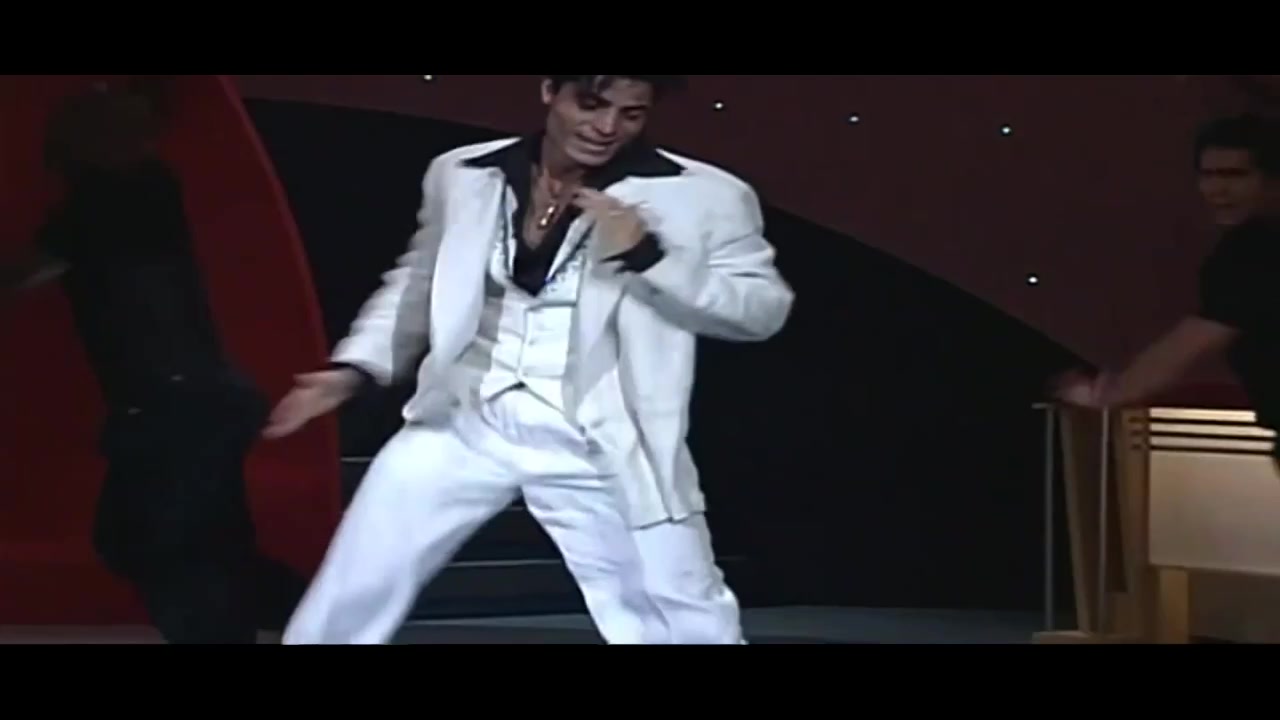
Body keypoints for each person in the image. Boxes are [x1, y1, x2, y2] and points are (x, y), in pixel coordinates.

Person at [264, 74, 795, 645]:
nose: (607, 127)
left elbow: (761, 311)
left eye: (631, 114)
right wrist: (355, 369)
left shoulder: (706, 195)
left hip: (600, 437)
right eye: (591, 104)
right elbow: (419, 281)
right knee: (354, 584)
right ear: (550, 91)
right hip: (465, 419)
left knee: (679, 615)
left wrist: (649, 256)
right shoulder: (464, 173)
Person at [1, 84, 306, 643]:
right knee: (197, 550)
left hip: (173, 407)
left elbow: (24, 275)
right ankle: (327, 613)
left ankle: (316, 614)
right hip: (198, 401)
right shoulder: (141, 192)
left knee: (165, 552)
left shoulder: (108, 201)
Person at [1057, 113, 1280, 465]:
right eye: (1207, 175)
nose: (1216, 190)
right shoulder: (1248, 247)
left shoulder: (1251, 252)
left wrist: (1112, 393)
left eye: (1234, 175)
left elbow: (1196, 340)